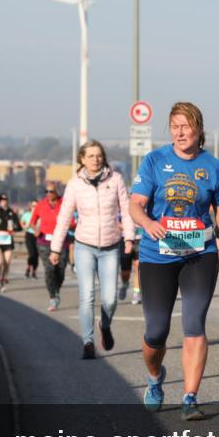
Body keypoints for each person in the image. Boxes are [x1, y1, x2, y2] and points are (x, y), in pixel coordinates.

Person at [128, 102, 219, 420]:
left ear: (199, 129)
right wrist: (147, 223)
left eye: (186, 126)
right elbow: (136, 204)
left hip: (199, 255)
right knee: (156, 331)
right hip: (158, 256)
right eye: (175, 126)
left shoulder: (213, 168)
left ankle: (190, 397)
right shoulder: (154, 161)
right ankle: (155, 379)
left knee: (194, 325)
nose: (180, 133)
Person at [50, 141, 135, 360]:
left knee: (110, 299)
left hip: (110, 245)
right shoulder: (75, 184)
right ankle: (87, 342)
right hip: (84, 245)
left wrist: (129, 237)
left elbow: (127, 211)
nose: (95, 159)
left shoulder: (115, 180)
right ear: (82, 159)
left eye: (99, 155)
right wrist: (56, 248)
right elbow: (64, 217)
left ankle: (104, 325)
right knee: (86, 296)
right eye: (90, 156)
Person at [30, 182, 73, 311]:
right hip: (44, 242)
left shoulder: (65, 204)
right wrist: (36, 229)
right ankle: (53, 297)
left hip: (61, 242)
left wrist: (70, 226)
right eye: (47, 191)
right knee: (49, 269)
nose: (49, 194)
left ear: (57, 192)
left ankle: (56, 290)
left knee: (60, 269)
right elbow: (32, 222)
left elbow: (71, 222)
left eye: (52, 191)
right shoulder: (40, 205)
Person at [22, 200, 39, 278]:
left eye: (36, 206)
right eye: (33, 206)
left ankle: (34, 271)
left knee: (36, 254)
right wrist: (28, 224)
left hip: (38, 235)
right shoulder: (26, 214)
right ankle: (29, 267)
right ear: (30, 206)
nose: (34, 207)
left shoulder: (40, 215)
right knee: (31, 253)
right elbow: (23, 225)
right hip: (29, 235)